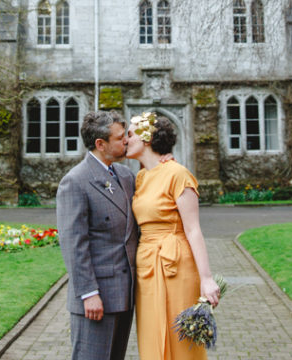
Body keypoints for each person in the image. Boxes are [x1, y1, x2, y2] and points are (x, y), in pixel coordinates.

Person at [127, 112, 220, 360]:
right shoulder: (140, 177)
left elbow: (193, 229)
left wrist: (207, 279)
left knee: (180, 339)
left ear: (146, 138)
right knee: (150, 335)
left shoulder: (179, 174)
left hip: (176, 265)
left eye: (130, 133)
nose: (126, 139)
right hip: (147, 264)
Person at [56, 111, 138, 360]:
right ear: (101, 144)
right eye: (120, 137)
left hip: (125, 296)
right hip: (96, 300)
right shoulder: (75, 181)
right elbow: (74, 245)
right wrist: (89, 293)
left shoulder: (126, 176)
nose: (126, 141)